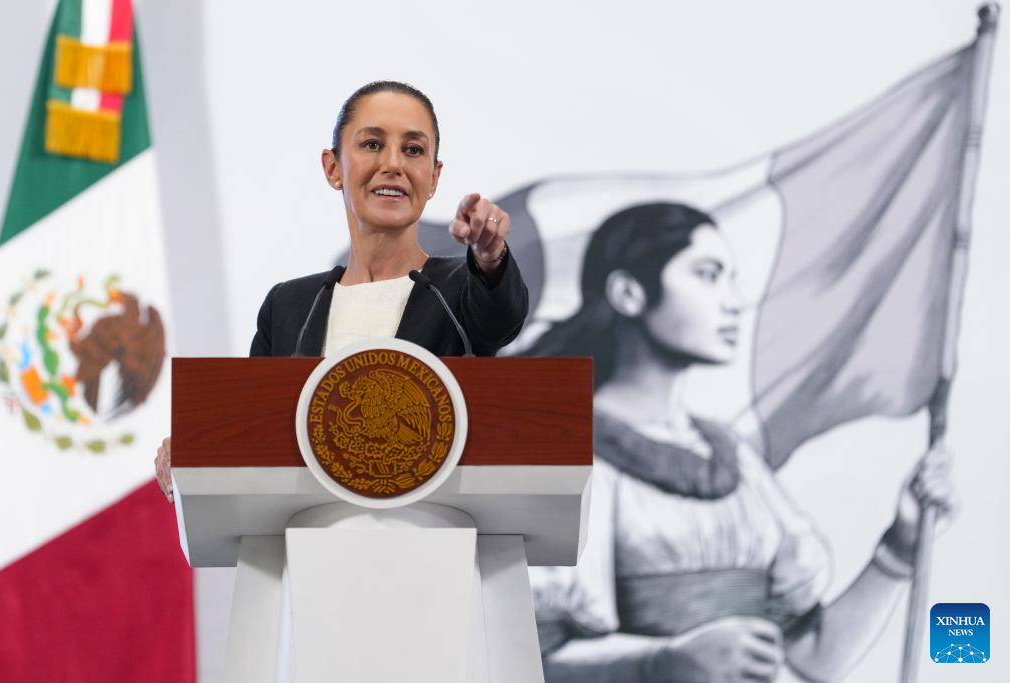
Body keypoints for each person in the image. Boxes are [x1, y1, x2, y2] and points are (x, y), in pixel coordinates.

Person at [524, 203, 955, 683]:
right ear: (628, 293)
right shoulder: (560, 450)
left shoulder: (733, 457)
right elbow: (522, 658)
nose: (732, 302)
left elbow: (813, 656)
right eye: (708, 275)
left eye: (731, 280)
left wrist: (900, 546)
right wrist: (662, 662)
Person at [155, 81, 528, 500]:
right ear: (333, 168)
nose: (393, 164)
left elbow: (500, 316)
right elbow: (257, 433)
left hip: (435, 532)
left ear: (434, 177)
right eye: (372, 144)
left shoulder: (459, 289)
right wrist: (198, 452)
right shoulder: (289, 306)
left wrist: (490, 255)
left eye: (413, 150)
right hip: (307, 535)